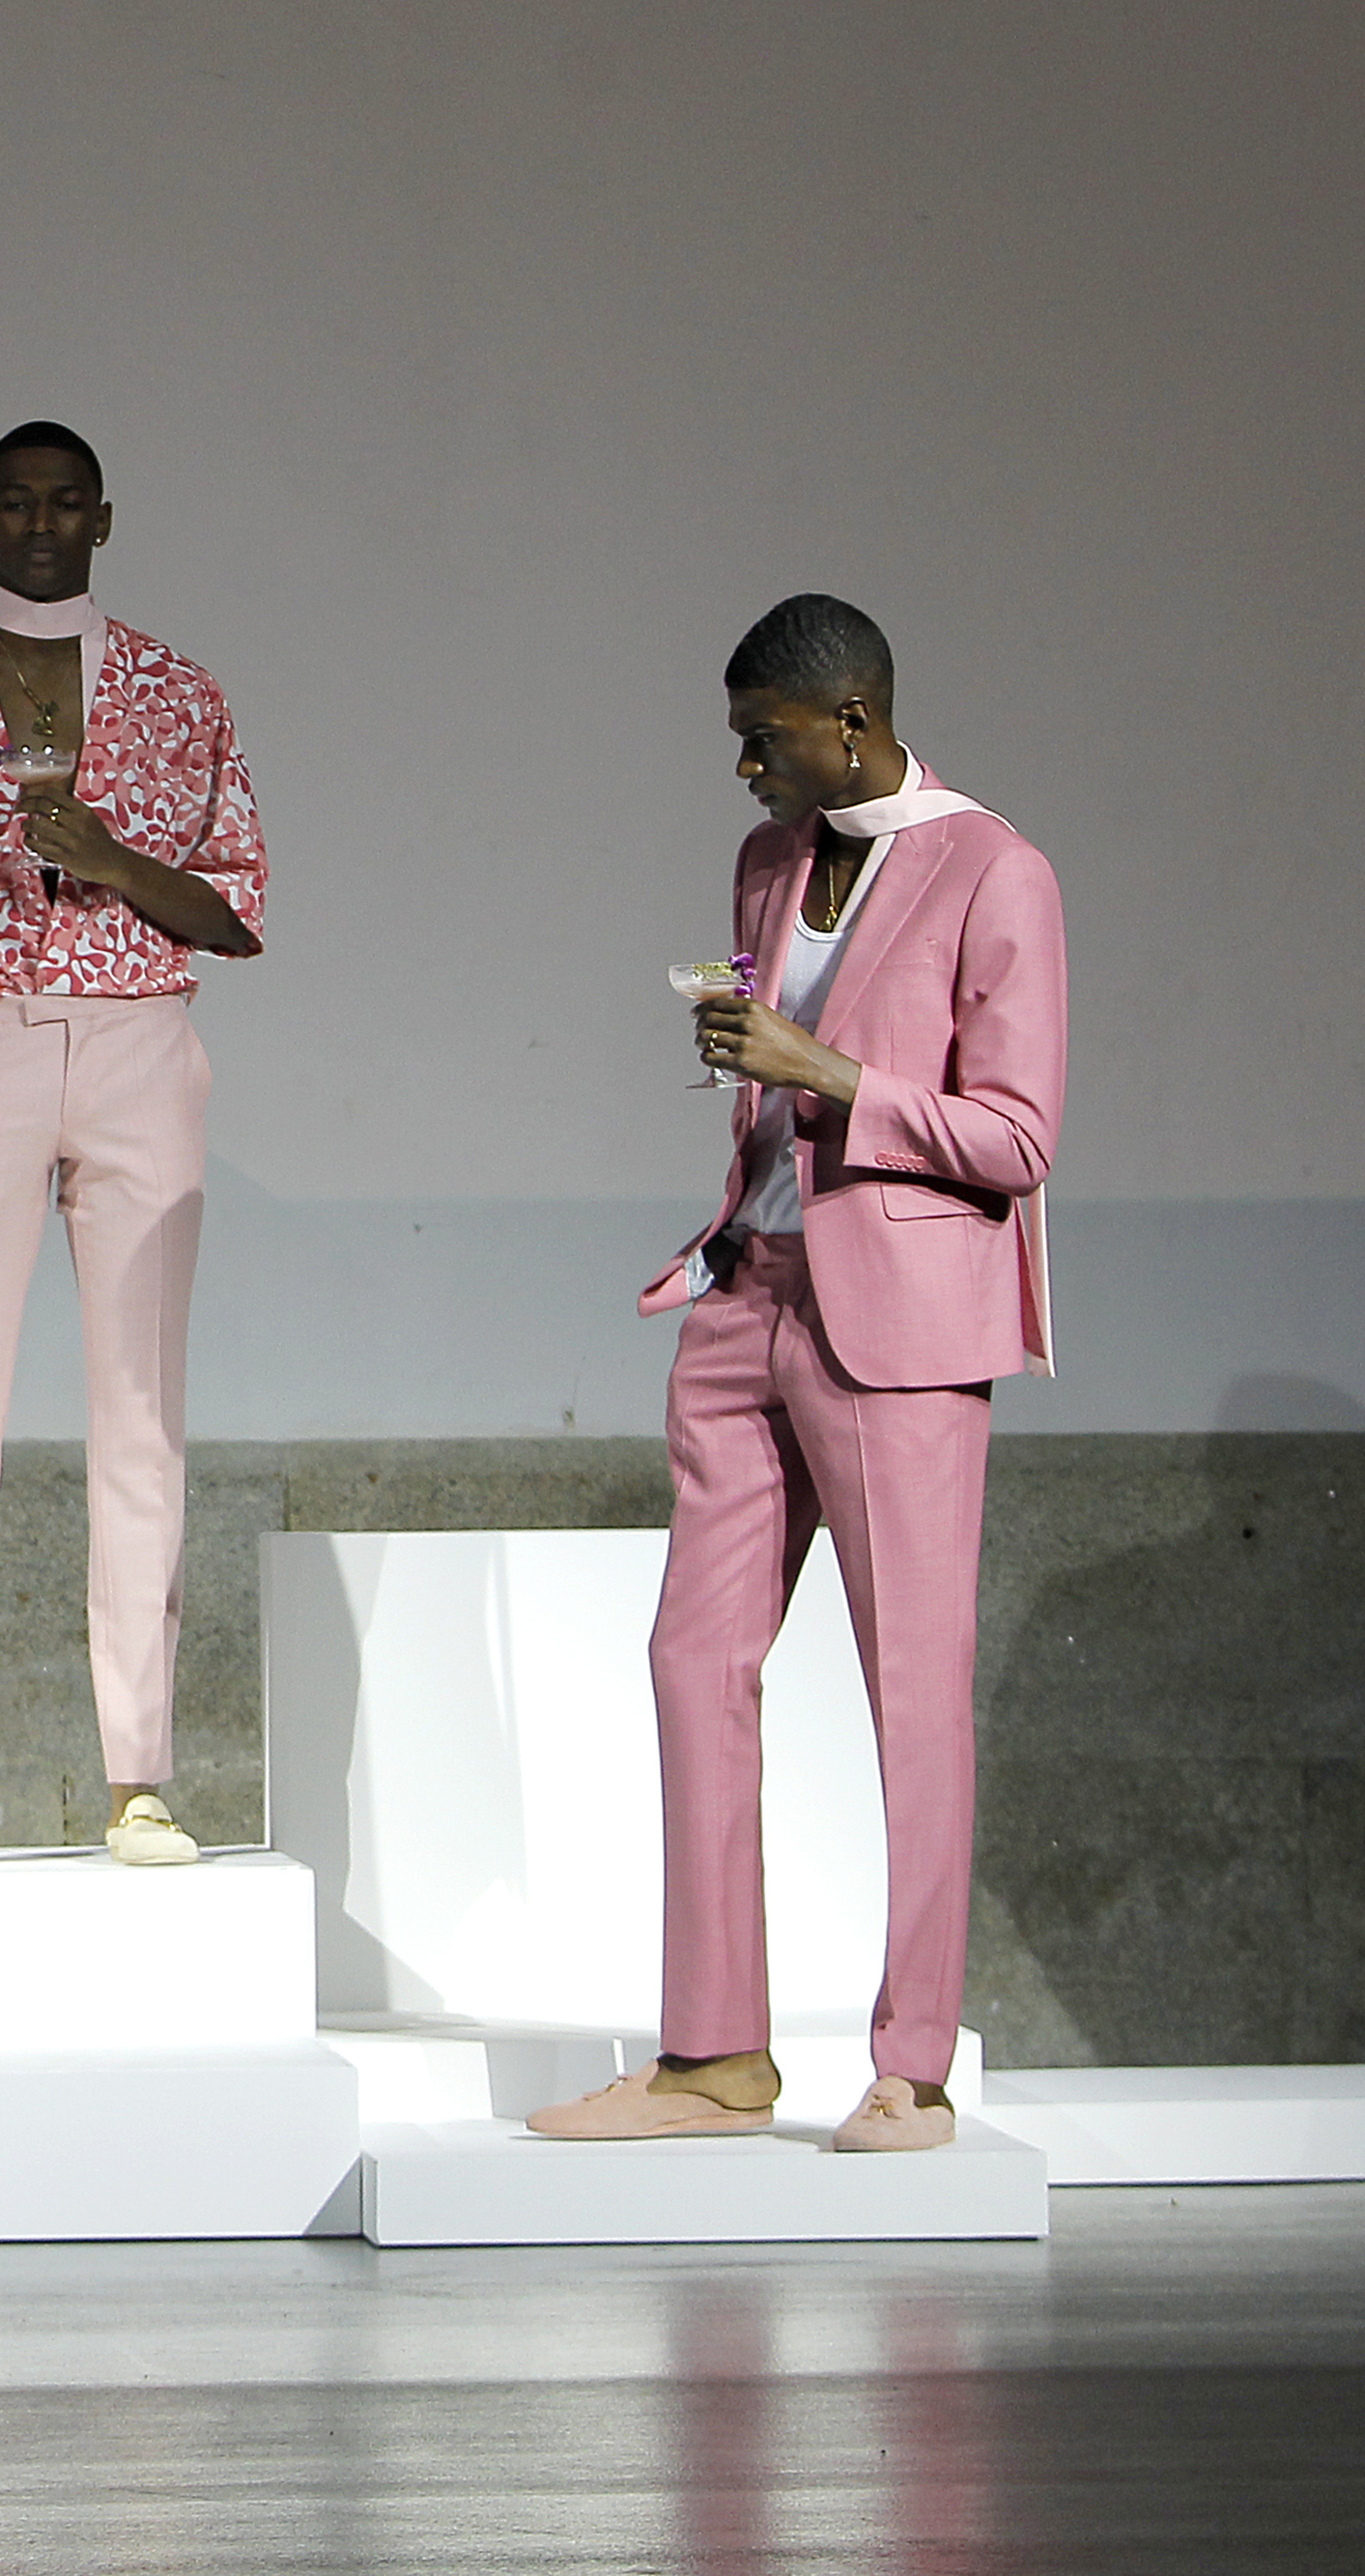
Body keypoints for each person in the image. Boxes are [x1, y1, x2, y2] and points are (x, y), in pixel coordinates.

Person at [531, 594, 1065, 2154]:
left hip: (899, 1332)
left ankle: (911, 2066)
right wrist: (750, 1056)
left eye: (762, 741)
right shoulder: (770, 862)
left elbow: (1021, 1138)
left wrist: (828, 1073)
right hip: (745, 1294)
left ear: (849, 722)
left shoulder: (997, 870)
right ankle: (714, 2055)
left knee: (913, 1690)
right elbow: (778, 1062)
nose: (746, 771)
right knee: (695, 1664)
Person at [0, 422, 267, 1875]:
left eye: (63, 503)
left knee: (138, 1413)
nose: (38, 524)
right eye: (14, 503)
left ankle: (140, 1776)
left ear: (101, 518)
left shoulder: (179, 691)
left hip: (142, 1038)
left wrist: (106, 857)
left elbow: (235, 910)